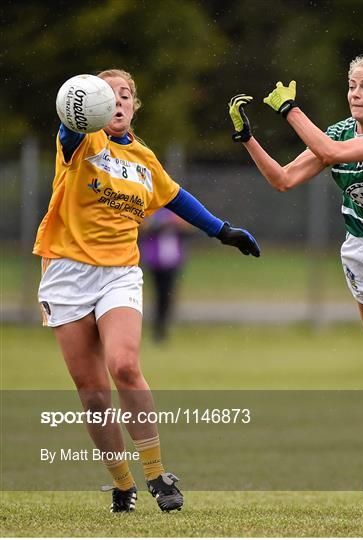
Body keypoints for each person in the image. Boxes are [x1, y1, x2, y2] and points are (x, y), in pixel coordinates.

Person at [228, 31, 363, 506]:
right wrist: (248, 138)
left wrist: (290, 111)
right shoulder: (338, 130)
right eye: (351, 85)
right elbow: (284, 180)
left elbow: (332, 156)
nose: (354, 93)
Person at [33, 69, 260, 514]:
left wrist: (222, 230)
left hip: (119, 271)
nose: (117, 102)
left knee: (125, 365)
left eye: (125, 95)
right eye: (108, 95)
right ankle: (122, 483)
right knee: (93, 392)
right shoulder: (83, 141)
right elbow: (71, 122)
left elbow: (175, 197)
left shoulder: (142, 157)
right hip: (65, 272)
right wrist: (78, 107)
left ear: (136, 106)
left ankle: (156, 473)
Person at [139, 208, 189, 342]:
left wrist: (175, 224)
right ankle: (158, 327)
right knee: (158, 294)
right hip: (155, 261)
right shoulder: (151, 210)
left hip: (173, 261)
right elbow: (143, 229)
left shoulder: (176, 211)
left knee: (168, 295)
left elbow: (188, 230)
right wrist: (161, 223)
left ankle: (162, 326)